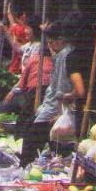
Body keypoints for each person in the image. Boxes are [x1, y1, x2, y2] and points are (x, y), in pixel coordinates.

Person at [17, 21, 75, 166]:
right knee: (31, 128)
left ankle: (25, 166)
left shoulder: (64, 56)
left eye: (51, 42)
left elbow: (61, 89)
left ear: (61, 40)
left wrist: (59, 113)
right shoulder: (61, 54)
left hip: (55, 108)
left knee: (32, 136)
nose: (49, 46)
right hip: (50, 106)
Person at [0, 17, 53, 137]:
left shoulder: (38, 48)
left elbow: (28, 73)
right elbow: (17, 47)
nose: (25, 31)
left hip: (30, 87)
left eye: (28, 28)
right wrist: (6, 32)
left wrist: (13, 91)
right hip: (24, 86)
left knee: (3, 107)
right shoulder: (29, 45)